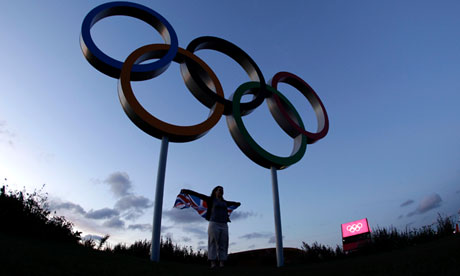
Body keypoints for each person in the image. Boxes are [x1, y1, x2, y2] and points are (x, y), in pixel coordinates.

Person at [181, 186, 241, 268]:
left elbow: (231, 203)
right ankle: (213, 262)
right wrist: (187, 191)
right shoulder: (211, 200)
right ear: (215, 192)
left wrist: (237, 203)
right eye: (219, 190)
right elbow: (199, 195)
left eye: (222, 190)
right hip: (214, 223)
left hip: (224, 224)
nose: (221, 192)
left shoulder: (224, 202)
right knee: (212, 242)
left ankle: (222, 263)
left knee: (223, 243)